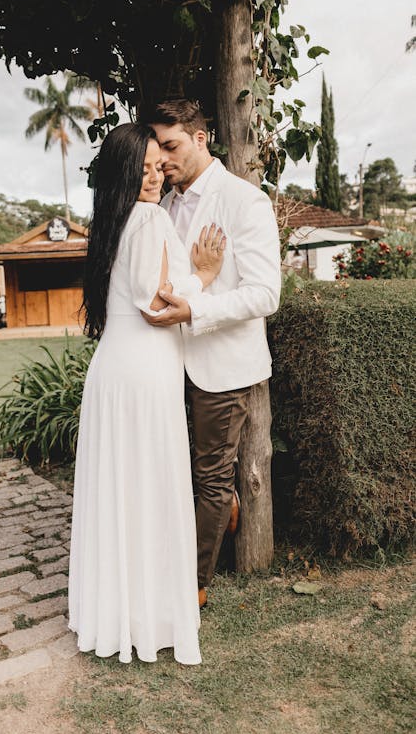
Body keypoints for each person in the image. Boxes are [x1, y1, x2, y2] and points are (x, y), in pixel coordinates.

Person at [68, 122, 225, 665]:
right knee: (149, 488)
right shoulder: (152, 219)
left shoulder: (110, 223)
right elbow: (157, 310)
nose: (155, 178)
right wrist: (202, 276)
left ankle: (115, 612)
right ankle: (150, 615)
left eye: (160, 168)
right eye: (144, 170)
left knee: (122, 491)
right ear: (123, 174)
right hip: (144, 373)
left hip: (114, 371)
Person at [142, 100, 281, 609]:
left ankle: (193, 584)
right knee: (176, 468)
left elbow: (266, 294)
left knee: (211, 476)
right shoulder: (161, 205)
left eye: (172, 147)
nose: (165, 162)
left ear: (202, 139)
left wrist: (194, 313)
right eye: (159, 151)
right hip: (165, 362)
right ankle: (223, 504)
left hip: (222, 365)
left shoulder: (245, 202)